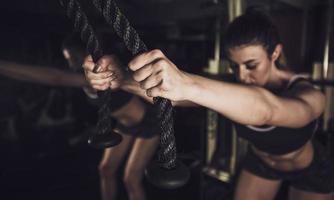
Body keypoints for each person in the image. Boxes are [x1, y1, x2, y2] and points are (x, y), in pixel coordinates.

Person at [82, 10, 334, 200]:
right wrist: (120, 78)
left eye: (251, 65)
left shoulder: (307, 92)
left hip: (309, 168)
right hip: (260, 165)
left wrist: (187, 83)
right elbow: (172, 96)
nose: (242, 75)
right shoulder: (232, 86)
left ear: (275, 53)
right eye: (234, 66)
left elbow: (269, 110)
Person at [62, 31, 160, 200]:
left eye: (72, 57)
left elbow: (56, 78)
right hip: (125, 125)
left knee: (131, 179)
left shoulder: (102, 71)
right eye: (67, 59)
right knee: (106, 169)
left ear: (83, 52)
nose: (70, 63)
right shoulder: (87, 77)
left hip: (148, 123)